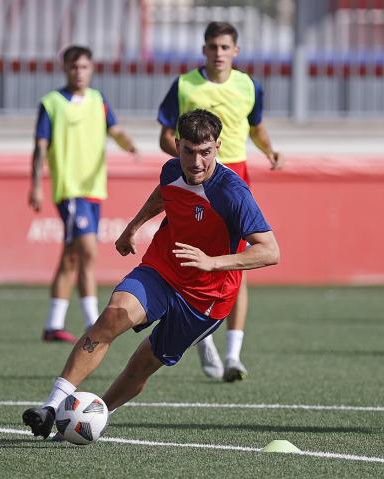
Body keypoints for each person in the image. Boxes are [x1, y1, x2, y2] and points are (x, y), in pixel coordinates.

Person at [22, 109, 280, 439]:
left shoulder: (233, 193)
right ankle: (51, 407)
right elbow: (163, 194)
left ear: (218, 146)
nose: (196, 162)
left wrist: (212, 262)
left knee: (143, 364)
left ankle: (96, 415)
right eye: (188, 150)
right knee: (112, 316)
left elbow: (270, 251)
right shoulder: (172, 169)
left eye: (205, 152)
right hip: (163, 270)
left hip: (206, 299)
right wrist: (133, 227)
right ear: (177, 145)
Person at [157, 21, 282, 382]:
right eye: (212, 46)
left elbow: (256, 127)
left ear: (235, 51)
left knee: (237, 263)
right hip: (192, 187)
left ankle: (233, 355)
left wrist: (270, 150)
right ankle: (200, 336)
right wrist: (186, 159)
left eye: (225, 47)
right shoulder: (184, 85)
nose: (218, 53)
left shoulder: (248, 85)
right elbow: (166, 134)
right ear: (204, 49)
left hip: (235, 182)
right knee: (189, 261)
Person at [29, 45, 139, 344]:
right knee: (88, 251)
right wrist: (36, 184)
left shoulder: (98, 100)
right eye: (74, 67)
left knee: (72, 257)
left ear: (92, 69)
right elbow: (40, 147)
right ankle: (94, 321)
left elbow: (113, 129)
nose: (79, 72)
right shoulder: (52, 103)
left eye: (84, 67)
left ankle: (53, 324)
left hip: (93, 190)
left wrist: (126, 142)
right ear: (64, 68)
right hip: (70, 190)